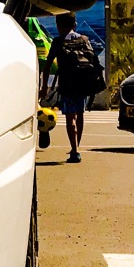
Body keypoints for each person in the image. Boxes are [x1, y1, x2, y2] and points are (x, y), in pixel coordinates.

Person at [40, 14, 100, 163]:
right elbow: (94, 62)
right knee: (80, 115)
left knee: (70, 118)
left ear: (59, 25)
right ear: (75, 24)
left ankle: (74, 150)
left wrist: (44, 87)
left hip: (67, 85)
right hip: (83, 84)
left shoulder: (58, 41)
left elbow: (47, 66)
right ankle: (76, 147)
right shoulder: (84, 40)